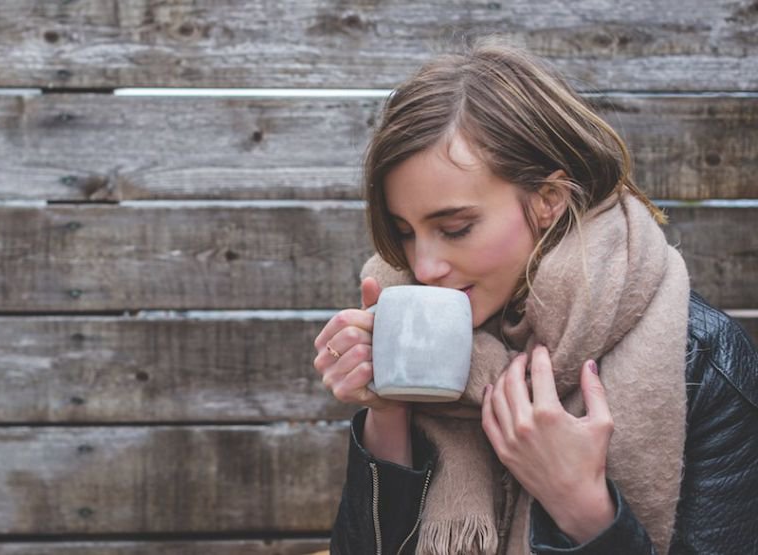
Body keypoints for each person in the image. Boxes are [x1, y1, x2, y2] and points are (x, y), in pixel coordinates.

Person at [313, 40, 757, 554]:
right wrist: (387, 412)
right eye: (405, 231)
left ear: (549, 200)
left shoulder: (704, 358)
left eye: (455, 227)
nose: (423, 266)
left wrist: (580, 505)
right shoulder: (410, 335)